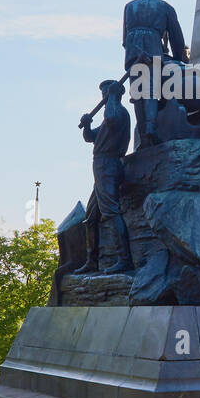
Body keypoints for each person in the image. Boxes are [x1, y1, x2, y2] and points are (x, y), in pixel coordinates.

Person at [122, 0, 188, 147]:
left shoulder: (130, 6)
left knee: (137, 93)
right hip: (153, 48)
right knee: (151, 90)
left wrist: (133, 50)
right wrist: (180, 58)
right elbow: (176, 38)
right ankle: (151, 127)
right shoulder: (166, 8)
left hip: (132, 50)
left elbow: (124, 38)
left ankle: (143, 133)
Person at [75, 79, 133, 274]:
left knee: (110, 211)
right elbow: (92, 138)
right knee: (90, 217)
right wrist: (86, 125)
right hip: (100, 166)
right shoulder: (111, 112)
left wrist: (113, 98)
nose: (104, 97)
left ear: (115, 93)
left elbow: (111, 120)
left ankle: (125, 260)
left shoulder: (118, 113)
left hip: (109, 164)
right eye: (103, 95)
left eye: (106, 93)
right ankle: (92, 261)